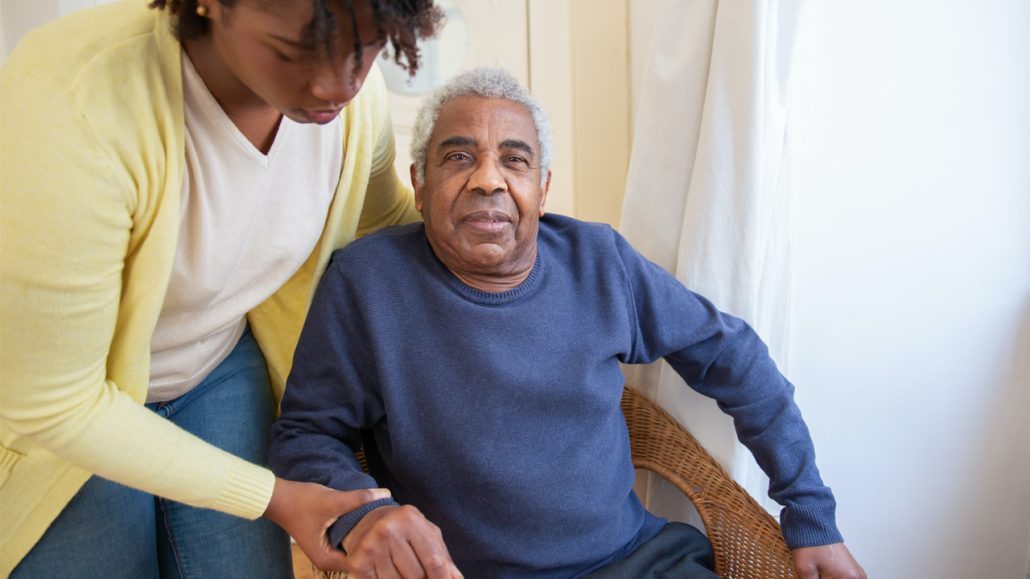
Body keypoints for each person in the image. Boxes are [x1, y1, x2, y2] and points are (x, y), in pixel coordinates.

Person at [268, 67, 867, 578]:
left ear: (542, 187)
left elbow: (734, 358)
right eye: (457, 157)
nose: (488, 179)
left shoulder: (599, 261)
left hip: (634, 561)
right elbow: (304, 435)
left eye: (514, 159)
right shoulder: (368, 282)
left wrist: (809, 514)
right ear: (419, 186)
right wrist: (362, 515)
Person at [0, 1, 450, 577]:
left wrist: (534, 274)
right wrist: (273, 497)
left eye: (363, 50)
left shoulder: (357, 109)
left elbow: (386, 230)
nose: (335, 86)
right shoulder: (73, 102)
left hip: (217, 362)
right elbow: (54, 400)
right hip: (65, 404)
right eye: (291, 52)